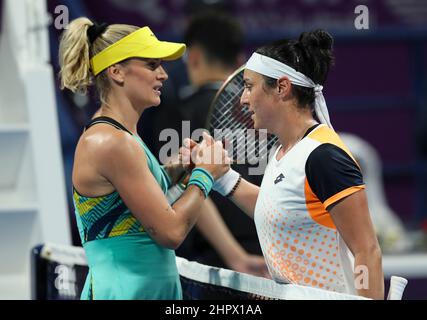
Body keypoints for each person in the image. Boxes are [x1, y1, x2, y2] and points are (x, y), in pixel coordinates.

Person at [184, 30, 384, 299]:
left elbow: (367, 249)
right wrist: (221, 176)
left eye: (249, 86)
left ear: (282, 87)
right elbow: (277, 208)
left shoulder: (324, 156)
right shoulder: (283, 150)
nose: (243, 99)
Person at [58, 17, 230, 300]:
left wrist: (181, 167)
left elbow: (129, 193)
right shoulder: (111, 142)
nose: (163, 75)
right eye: (152, 65)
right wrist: (204, 174)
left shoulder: (122, 136)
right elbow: (171, 232)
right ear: (117, 72)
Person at [142, 11, 267, 274]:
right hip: (272, 255)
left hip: (217, 265)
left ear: (194, 57)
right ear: (239, 60)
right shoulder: (268, 111)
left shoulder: (176, 113)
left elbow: (187, 189)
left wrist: (235, 257)